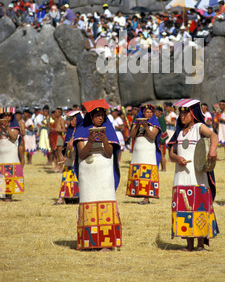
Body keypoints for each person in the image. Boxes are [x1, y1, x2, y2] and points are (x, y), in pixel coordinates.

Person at [168, 99, 219, 252]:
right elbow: (171, 153)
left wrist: (212, 150)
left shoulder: (198, 127)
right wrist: (177, 158)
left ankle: (200, 245)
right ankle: (189, 245)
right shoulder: (178, 132)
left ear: (193, 114)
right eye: (180, 113)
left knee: (199, 209)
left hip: (197, 176)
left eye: (185, 113)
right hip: (181, 177)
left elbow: (213, 136)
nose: (182, 116)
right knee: (184, 211)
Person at [73, 99, 122, 251]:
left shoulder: (109, 128)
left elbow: (109, 153)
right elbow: (81, 154)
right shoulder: (82, 130)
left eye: (102, 115)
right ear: (91, 116)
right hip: (88, 176)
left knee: (105, 205)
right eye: (97, 115)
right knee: (89, 204)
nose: (100, 118)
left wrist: (104, 138)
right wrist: (90, 142)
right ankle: (89, 241)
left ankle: (106, 243)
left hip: (104, 174)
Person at [126, 104, 161, 205]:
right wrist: (137, 125)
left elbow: (152, 136)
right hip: (138, 151)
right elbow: (132, 135)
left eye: (150, 112)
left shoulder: (155, 122)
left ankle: (147, 198)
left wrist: (146, 126)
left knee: (147, 173)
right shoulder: (136, 121)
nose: (149, 114)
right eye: (147, 112)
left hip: (148, 151)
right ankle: (138, 193)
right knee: (138, 172)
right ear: (143, 113)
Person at [53, 110, 82, 205]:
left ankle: (79, 198)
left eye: (73, 119)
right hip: (70, 159)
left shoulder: (82, 129)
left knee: (80, 178)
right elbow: (65, 145)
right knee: (66, 178)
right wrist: (65, 155)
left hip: (79, 159)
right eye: (70, 120)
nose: (71, 122)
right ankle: (61, 198)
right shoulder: (70, 129)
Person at [0, 107, 24, 201]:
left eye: (8, 115)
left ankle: (9, 195)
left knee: (9, 175)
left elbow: (13, 137)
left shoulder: (14, 126)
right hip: (1, 154)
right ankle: (2, 194)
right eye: (4, 115)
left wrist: (7, 128)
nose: (6, 117)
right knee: (1, 175)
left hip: (10, 155)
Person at [154, 105, 168, 171]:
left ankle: (164, 168)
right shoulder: (161, 118)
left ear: (159, 112)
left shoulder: (160, 119)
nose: (155, 113)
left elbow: (161, 129)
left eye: (156, 112)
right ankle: (163, 168)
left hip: (161, 138)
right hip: (162, 137)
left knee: (162, 154)